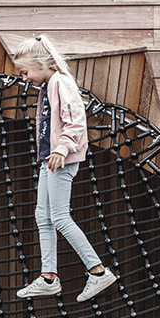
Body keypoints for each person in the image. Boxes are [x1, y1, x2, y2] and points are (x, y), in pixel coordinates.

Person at [12, 34, 117, 302]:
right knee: (42, 216)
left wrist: (62, 148)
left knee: (59, 217)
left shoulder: (60, 81)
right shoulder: (48, 86)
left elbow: (76, 122)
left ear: (40, 64)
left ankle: (98, 271)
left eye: (25, 72)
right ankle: (48, 277)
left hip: (62, 159)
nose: (25, 78)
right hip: (49, 160)